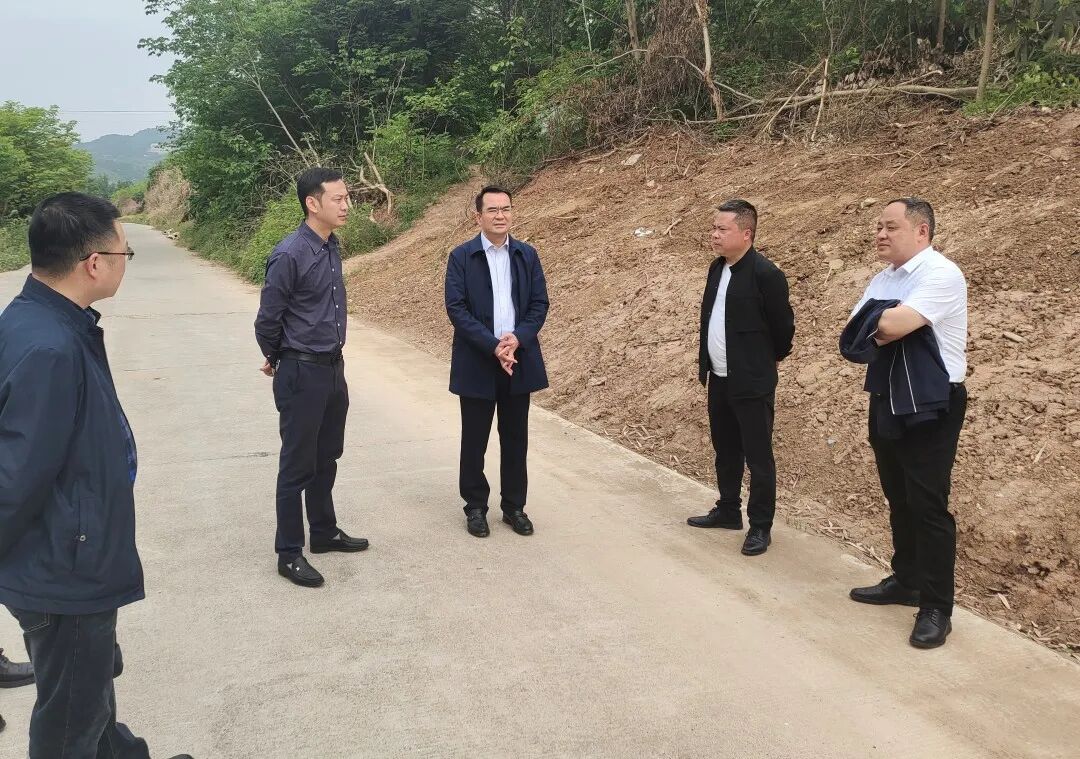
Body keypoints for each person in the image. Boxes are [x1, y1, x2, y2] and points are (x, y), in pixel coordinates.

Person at [0, 192, 191, 758]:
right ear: (93, 263)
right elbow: (15, 478)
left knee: (90, 691)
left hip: (71, 549)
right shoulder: (50, 347)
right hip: (64, 566)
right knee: (69, 724)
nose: (126, 262)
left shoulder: (44, 321)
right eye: (124, 252)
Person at [844, 197, 968, 649]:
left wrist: (878, 321)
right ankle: (907, 580)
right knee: (898, 496)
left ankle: (937, 607)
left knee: (928, 504)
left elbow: (892, 326)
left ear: (921, 231)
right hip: (888, 395)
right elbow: (853, 334)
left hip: (932, 404)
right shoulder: (885, 278)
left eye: (891, 226)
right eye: (878, 226)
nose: (880, 234)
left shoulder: (941, 274)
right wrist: (879, 322)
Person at [255, 168, 369, 588]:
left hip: (333, 367)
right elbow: (267, 320)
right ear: (312, 203)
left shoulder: (330, 245)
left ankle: (323, 531)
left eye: (346, 197)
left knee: (327, 455)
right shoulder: (290, 254)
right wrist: (279, 357)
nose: (346, 205)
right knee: (297, 464)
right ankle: (289, 553)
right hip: (302, 370)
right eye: (338, 198)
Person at [687, 199, 794, 556]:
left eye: (723, 229)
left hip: (751, 381)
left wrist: (763, 361)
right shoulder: (717, 269)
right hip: (719, 377)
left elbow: (783, 329)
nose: (714, 235)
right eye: (713, 228)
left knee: (758, 457)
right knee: (726, 449)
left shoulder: (766, 274)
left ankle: (760, 526)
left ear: (746, 234)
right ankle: (728, 509)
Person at [444, 186, 550, 538]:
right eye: (492, 210)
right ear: (479, 217)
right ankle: (475, 507)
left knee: (516, 438)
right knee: (475, 439)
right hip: (478, 359)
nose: (500, 215)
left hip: (518, 359)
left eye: (506, 208)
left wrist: (517, 339)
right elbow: (456, 308)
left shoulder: (526, 255)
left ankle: (514, 507)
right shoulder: (462, 257)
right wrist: (493, 346)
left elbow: (539, 304)